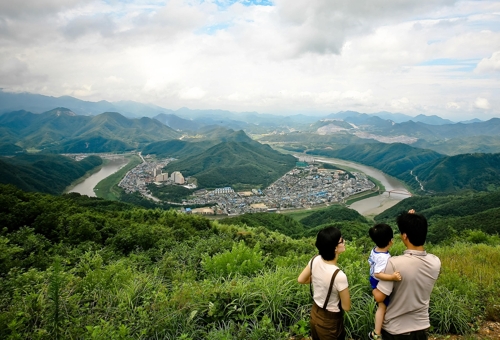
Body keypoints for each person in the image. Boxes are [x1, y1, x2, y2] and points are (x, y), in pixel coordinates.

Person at [372, 210, 441, 340]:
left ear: (404, 236)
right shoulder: (435, 262)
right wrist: (413, 220)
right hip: (420, 329)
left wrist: (373, 283)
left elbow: (379, 297)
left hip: (395, 330)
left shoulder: (394, 264)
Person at [298, 226, 351, 340]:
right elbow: (346, 307)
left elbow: (301, 279)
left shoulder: (315, 259)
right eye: (341, 240)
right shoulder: (339, 275)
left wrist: (318, 278)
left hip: (315, 314)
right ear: (335, 248)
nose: (344, 241)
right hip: (330, 323)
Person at [367, 223, 402, 340]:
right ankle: (377, 333)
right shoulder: (384, 257)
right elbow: (378, 273)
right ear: (391, 241)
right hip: (377, 281)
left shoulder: (375, 250)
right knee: (382, 307)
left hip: (373, 279)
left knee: (383, 306)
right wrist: (392, 277)